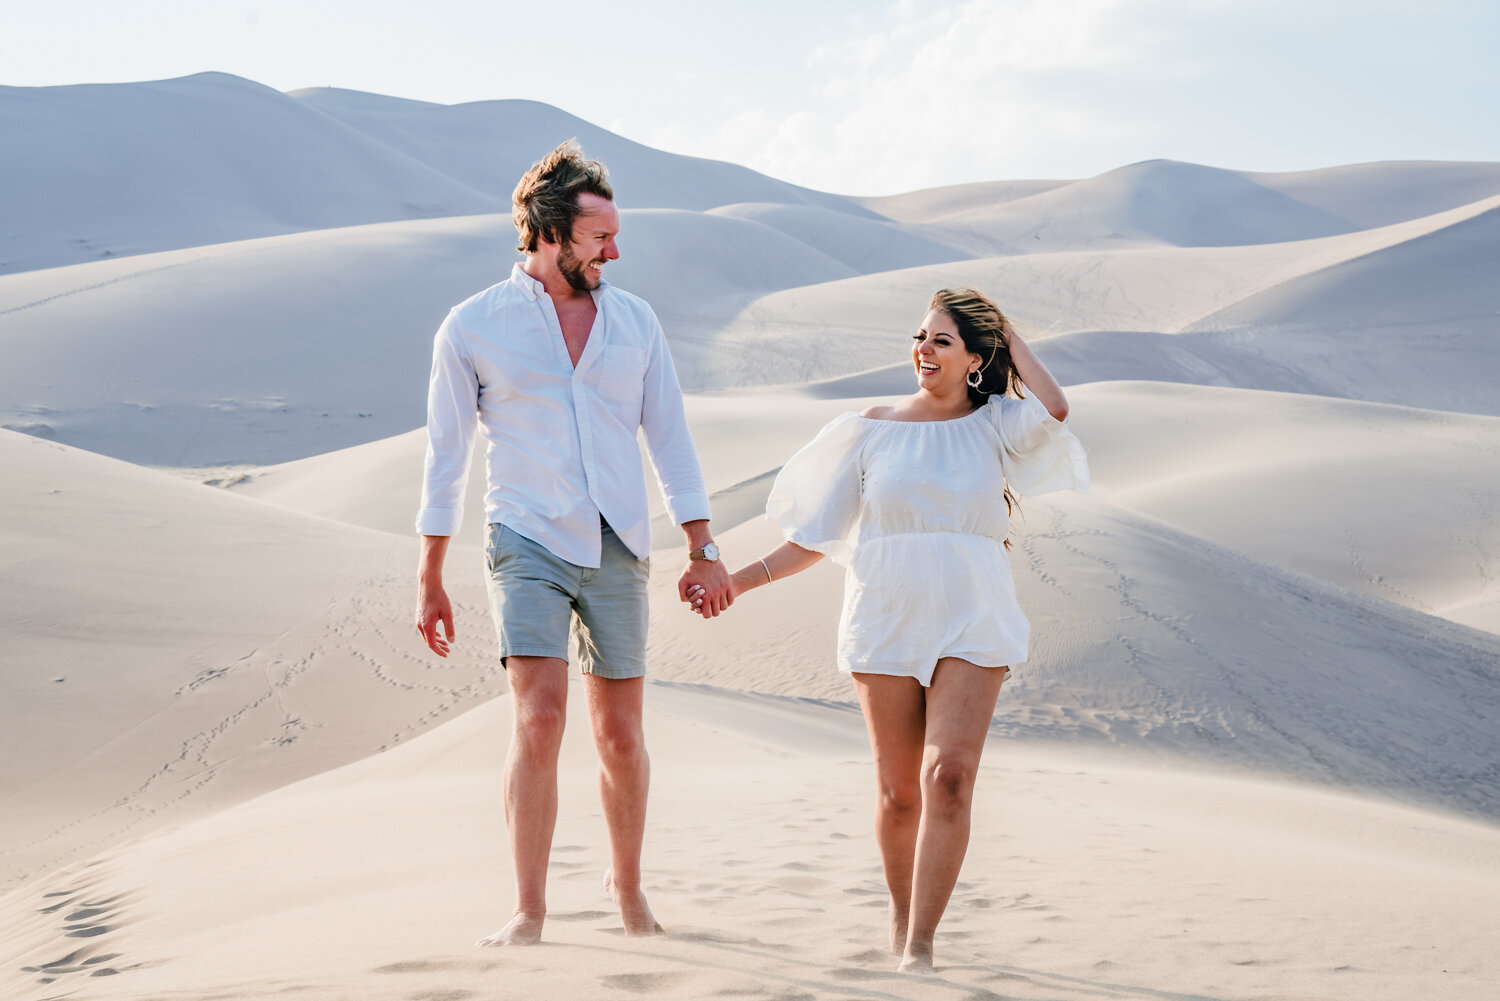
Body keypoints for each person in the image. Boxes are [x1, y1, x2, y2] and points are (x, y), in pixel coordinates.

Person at [689, 288, 1087, 972]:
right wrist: (738, 578)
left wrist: (1008, 330)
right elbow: (813, 537)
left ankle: (921, 948)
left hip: (974, 613)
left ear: (974, 358)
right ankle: (902, 918)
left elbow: (1056, 409)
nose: (923, 350)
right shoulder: (870, 428)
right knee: (900, 793)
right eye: (920, 337)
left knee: (950, 777)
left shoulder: (996, 423)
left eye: (941, 340)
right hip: (886, 617)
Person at [415, 140, 733, 947]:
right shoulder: (473, 325)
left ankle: (626, 886)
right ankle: (530, 909)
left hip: (620, 541)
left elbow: (669, 434)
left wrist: (702, 543)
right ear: (551, 233)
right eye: (600, 237)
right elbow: (446, 455)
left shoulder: (636, 321)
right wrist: (431, 573)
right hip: (525, 534)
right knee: (541, 717)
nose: (615, 251)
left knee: (621, 734)